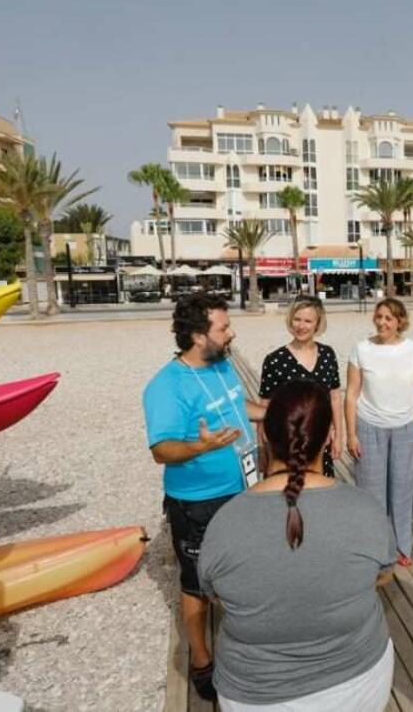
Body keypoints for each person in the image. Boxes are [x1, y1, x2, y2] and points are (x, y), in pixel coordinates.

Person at [198, 381, 396, 711]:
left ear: (263, 435)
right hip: (357, 683)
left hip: (255, 693)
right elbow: (383, 576)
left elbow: (214, 594)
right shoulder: (365, 510)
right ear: (330, 436)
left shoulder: (225, 522)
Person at [142, 293, 266, 701]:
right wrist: (202, 447)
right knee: (196, 584)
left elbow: (237, 406)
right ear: (198, 336)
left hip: (244, 489)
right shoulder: (164, 386)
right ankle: (200, 658)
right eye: (223, 328)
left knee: (244, 571)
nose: (231, 333)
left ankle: (244, 646)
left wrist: (274, 408)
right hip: (198, 503)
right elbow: (162, 450)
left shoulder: (221, 364)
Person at [345, 298, 413, 568]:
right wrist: (351, 434)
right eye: (379, 316)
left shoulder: (412, 349)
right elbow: (351, 394)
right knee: (371, 494)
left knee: (403, 491)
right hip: (369, 426)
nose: (382, 322)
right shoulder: (361, 349)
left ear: (400, 322)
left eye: (389, 318)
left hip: (407, 426)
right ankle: (376, 549)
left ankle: (402, 545)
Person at [259, 296, 346, 475]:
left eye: (308, 321)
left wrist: (339, 435)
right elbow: (265, 407)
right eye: (297, 319)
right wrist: (263, 449)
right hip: (285, 443)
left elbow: (335, 397)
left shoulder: (328, 354)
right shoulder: (275, 360)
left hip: (321, 441)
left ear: (317, 324)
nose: (301, 325)